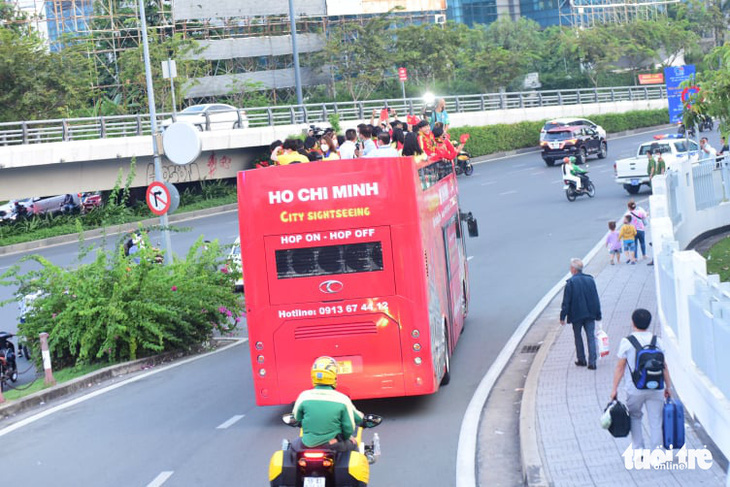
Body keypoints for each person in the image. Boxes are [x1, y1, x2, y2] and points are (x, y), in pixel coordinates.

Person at [610, 309, 672, 450]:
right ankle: (657, 453)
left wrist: (614, 389)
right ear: (649, 323)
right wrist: (668, 388)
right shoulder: (658, 342)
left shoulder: (627, 342)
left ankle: (639, 450)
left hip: (635, 388)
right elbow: (665, 367)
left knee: (635, 417)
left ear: (633, 322)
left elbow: (620, 368)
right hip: (656, 387)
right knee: (655, 420)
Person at [291, 356, 363, 452]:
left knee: (291, 447)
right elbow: (349, 428)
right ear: (334, 377)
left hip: (307, 444)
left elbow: (296, 418)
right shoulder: (342, 399)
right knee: (354, 446)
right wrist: (343, 438)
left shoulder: (303, 396)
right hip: (333, 444)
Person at [560, 258, 602, 369]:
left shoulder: (571, 283)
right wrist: (598, 313)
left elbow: (566, 302)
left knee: (578, 337)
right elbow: (595, 298)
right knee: (591, 337)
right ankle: (592, 361)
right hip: (590, 313)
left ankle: (581, 359)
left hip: (576, 314)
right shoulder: (590, 280)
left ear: (573, 269)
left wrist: (562, 316)